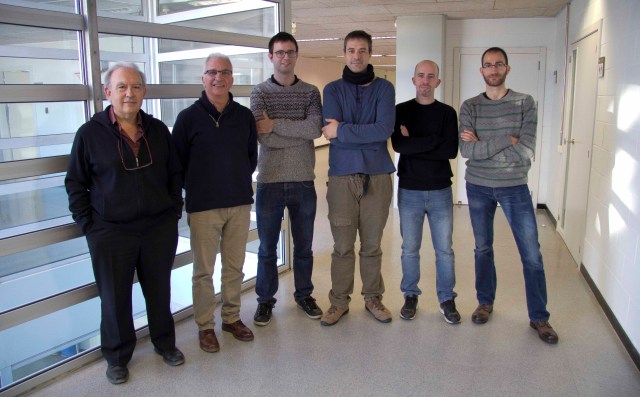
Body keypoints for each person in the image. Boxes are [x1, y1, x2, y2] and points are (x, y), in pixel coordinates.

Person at [65, 62, 185, 385]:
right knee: (115, 297)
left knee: (159, 290)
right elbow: (75, 183)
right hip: (111, 232)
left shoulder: (158, 130)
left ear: (144, 92)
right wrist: (90, 227)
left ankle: (165, 343)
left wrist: (174, 209)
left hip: (158, 228)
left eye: (135, 87)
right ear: (108, 93)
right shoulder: (89, 135)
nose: (129, 93)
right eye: (121, 87)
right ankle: (117, 358)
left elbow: (175, 173)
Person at [459, 47, 559, 344]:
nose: (493, 69)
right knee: (482, 248)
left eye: (498, 64)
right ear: (481, 71)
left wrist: (484, 147)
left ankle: (539, 317)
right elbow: (466, 151)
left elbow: (526, 151)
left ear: (507, 68)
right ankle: (485, 302)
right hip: (477, 186)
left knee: (531, 253)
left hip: (515, 186)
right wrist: (506, 140)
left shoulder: (524, 103)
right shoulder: (470, 106)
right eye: (488, 65)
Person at [172, 54, 258, 353]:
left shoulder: (244, 116)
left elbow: (250, 158)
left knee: (234, 267)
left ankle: (231, 318)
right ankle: (205, 326)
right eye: (211, 72)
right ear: (203, 78)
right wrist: (201, 188)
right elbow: (177, 164)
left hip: (238, 203)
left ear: (232, 78)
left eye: (224, 72)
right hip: (203, 207)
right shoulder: (188, 118)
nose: (218, 77)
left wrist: (231, 181)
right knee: (203, 271)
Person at [320, 30, 396, 326]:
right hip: (341, 177)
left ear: (370, 54)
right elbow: (331, 135)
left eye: (362, 50)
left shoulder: (384, 89)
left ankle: (373, 298)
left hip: (377, 176)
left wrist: (344, 130)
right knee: (342, 246)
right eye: (351, 50)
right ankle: (338, 302)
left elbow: (383, 130)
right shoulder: (332, 90)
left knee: (372, 244)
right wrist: (352, 132)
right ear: (344, 53)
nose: (356, 56)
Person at [250, 32, 323, 326]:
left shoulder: (310, 92)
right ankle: (265, 300)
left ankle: (304, 294)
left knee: (304, 246)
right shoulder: (259, 93)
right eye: (279, 52)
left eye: (290, 52)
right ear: (271, 57)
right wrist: (296, 131)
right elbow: (261, 134)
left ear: (296, 55)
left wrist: (277, 125)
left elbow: (315, 129)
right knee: (267, 248)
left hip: (303, 180)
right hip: (269, 181)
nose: (285, 57)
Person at [391, 60, 460, 323]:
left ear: (437, 82)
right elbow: (399, 145)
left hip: (441, 189)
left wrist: (415, 142)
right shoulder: (401, 111)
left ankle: (447, 298)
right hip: (410, 190)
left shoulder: (447, 113)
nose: (425, 81)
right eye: (421, 75)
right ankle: (410, 295)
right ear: (413, 79)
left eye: (431, 77)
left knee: (445, 249)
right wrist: (433, 141)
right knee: (410, 249)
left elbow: (450, 151)